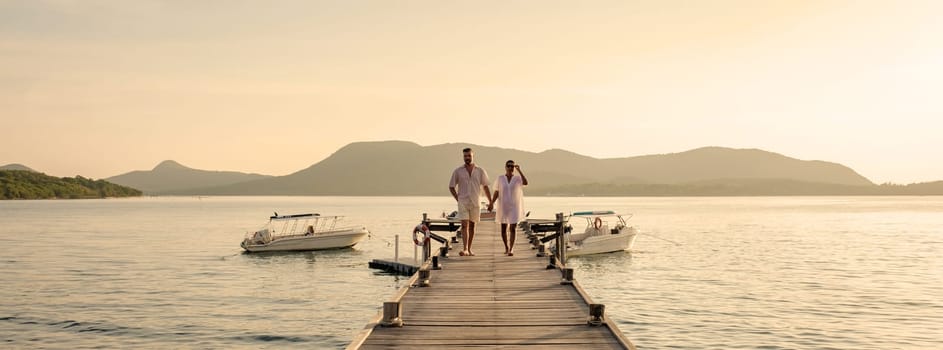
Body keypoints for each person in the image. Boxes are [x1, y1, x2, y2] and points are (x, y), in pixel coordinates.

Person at [448, 147, 493, 256]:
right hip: (463, 201)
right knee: (464, 225)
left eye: (469, 156)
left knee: (472, 225)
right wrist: (458, 199)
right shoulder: (458, 171)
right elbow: (451, 186)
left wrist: (491, 201)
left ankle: (469, 248)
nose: (467, 158)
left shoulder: (480, 170)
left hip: (475, 201)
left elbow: (485, 187)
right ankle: (465, 249)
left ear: (473, 156)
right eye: (465, 156)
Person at [490, 160, 528, 256]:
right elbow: (496, 192)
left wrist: (519, 170)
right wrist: (491, 203)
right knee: (503, 229)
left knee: (513, 228)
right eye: (509, 166)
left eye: (512, 166)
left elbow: (526, 182)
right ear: (505, 167)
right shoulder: (500, 178)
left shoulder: (518, 178)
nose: (510, 168)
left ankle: (511, 249)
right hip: (503, 206)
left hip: (515, 206)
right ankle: (506, 247)